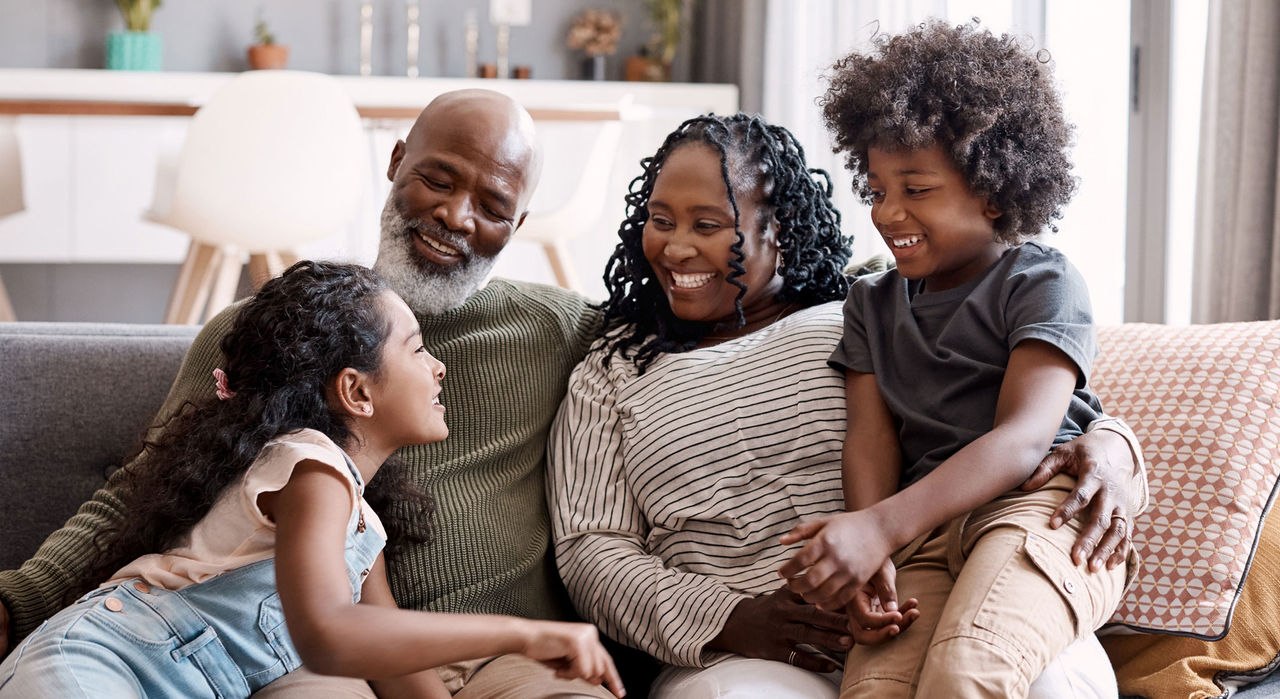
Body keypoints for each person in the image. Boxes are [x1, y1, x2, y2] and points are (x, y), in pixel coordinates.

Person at [0, 88, 1132, 698]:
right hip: (305, 653)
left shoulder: (573, 330)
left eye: (493, 202)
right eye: (437, 179)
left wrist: (1110, 449)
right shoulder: (266, 334)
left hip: (506, 664)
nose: (456, 216)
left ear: (521, 221)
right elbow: (147, 493)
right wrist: (21, 597)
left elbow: (1003, 367)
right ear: (394, 162)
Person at [548, 113, 1145, 698]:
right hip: (753, 651)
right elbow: (591, 547)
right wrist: (732, 619)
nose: (676, 248)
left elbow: (1033, 408)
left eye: (708, 225)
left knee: (1024, 680)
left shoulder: (859, 301)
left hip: (954, 573)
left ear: (778, 227)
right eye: (660, 220)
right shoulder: (612, 370)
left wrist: (1114, 443)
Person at [0, 260, 623, 698]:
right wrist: (526, 631)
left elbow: (391, 667)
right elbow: (328, 635)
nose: (437, 369)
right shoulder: (309, 469)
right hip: (101, 661)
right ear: (356, 391)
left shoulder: (360, 526)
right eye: (416, 349)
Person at [776, 21, 1148, 699]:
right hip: (924, 536)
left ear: (995, 190)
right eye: (877, 188)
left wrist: (877, 527)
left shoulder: (1041, 280)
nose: (889, 212)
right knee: (874, 690)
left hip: (1040, 510)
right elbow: (870, 438)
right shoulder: (871, 302)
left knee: (966, 671)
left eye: (916, 189)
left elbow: (1023, 439)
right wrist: (872, 553)